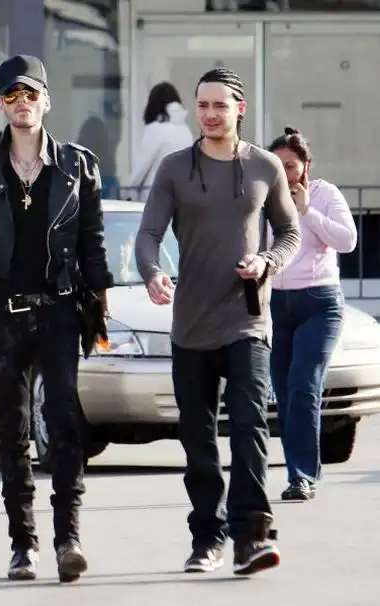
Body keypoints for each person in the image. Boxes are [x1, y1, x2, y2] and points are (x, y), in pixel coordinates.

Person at [0, 54, 114, 582]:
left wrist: (103, 303)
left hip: (60, 311)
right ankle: (23, 545)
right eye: (12, 95)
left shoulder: (78, 165)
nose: (22, 103)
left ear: (46, 101)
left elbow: (93, 243)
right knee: (13, 430)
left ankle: (68, 539)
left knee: (64, 423)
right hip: (5, 315)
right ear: (1, 104)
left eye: (31, 94)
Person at [135, 66, 301, 576]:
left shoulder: (265, 166)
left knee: (250, 425)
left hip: (247, 319)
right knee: (198, 440)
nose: (209, 114)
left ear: (239, 109)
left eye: (219, 105)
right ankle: (206, 537)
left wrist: (267, 262)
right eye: (202, 105)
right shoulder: (174, 169)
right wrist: (152, 273)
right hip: (190, 324)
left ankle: (252, 535)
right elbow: (148, 235)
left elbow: (289, 233)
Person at [267, 126, 357, 501]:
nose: (285, 174)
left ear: (306, 165)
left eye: (291, 166)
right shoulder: (264, 197)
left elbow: (347, 241)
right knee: (285, 394)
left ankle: (301, 476)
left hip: (319, 303)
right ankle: (298, 472)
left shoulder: (324, 194)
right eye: (277, 166)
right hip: (276, 304)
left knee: (304, 386)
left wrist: (307, 211)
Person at [124, 82, 193, 201]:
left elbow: (141, 167)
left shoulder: (156, 129)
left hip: (156, 198)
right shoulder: (186, 131)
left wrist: (126, 194)